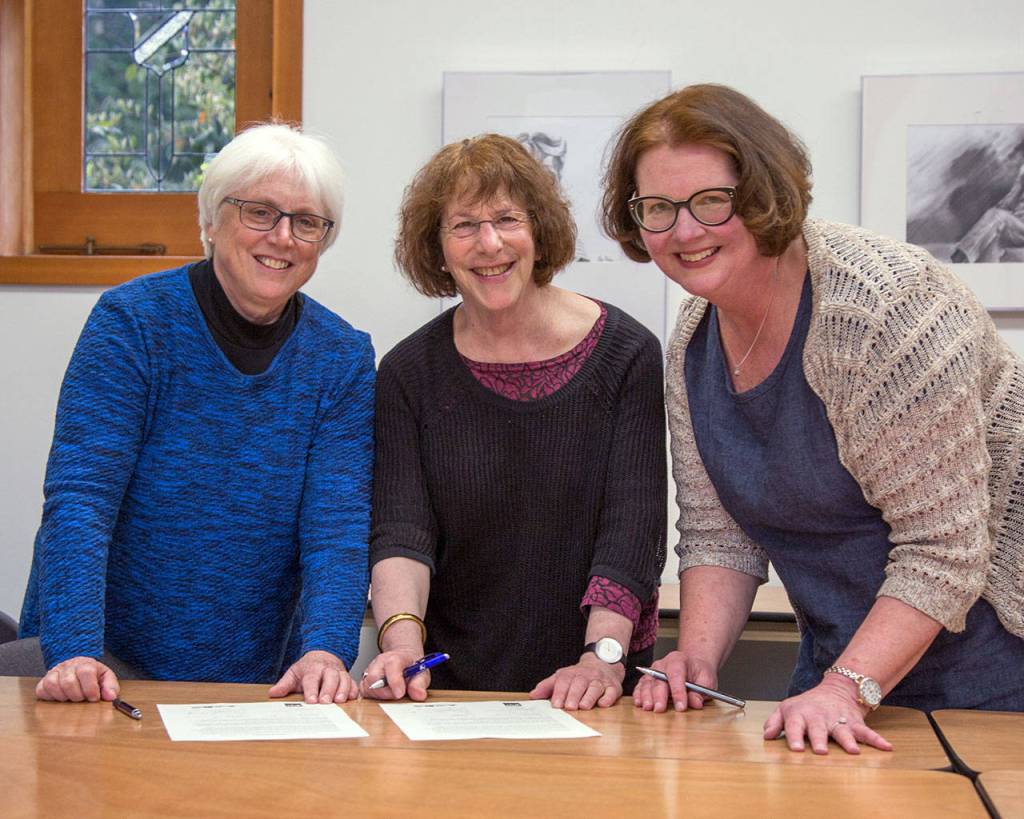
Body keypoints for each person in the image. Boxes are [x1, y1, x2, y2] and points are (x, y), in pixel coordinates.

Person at [600, 84, 1024, 753]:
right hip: (837, 674)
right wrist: (699, 656)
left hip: (995, 671)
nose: (684, 231)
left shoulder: (885, 307)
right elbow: (718, 534)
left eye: (711, 200)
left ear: (762, 193)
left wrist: (847, 688)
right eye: (658, 208)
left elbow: (944, 548)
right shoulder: (692, 341)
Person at [3, 123, 375, 705]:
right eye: (259, 212)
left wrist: (326, 649)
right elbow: (81, 498)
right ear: (210, 221)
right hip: (101, 659)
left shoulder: (342, 357)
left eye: (307, 222)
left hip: (258, 674)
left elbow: (337, 527)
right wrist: (75, 650)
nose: (283, 237)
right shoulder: (132, 323)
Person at [361, 134, 665, 709]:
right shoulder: (406, 373)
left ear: (539, 230)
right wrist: (401, 646)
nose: (490, 243)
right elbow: (402, 531)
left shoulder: (627, 354)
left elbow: (632, 528)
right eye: (464, 225)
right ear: (437, 248)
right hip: (449, 688)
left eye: (506, 219)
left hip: (594, 680)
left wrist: (601, 658)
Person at [951, 140, 1024, 263]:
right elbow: (1008, 203)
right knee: (991, 239)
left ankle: (961, 256)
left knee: (997, 216)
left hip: (1018, 227)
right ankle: (970, 265)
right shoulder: (1022, 177)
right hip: (1015, 228)